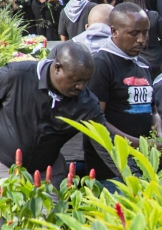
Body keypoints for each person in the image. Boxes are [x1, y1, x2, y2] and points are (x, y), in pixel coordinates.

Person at [0, 41, 106, 177]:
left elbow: (106, 144)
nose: (81, 87)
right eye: (76, 80)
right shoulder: (15, 76)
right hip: (4, 162)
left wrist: (134, 179)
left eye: (86, 81)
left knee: (55, 198)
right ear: (57, 68)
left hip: (48, 168)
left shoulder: (87, 103)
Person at [85, 3, 159, 180]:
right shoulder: (101, 64)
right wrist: (140, 144)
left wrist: (159, 139)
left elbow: (153, 110)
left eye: (145, 32)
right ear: (114, 31)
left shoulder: (142, 63)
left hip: (144, 161)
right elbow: (96, 121)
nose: (141, 39)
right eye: (134, 33)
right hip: (113, 168)